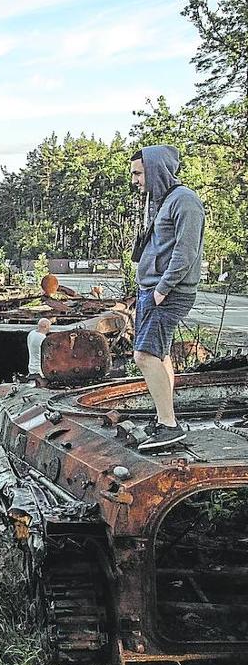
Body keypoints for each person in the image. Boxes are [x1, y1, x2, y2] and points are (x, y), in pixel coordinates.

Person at [130, 145, 204, 452]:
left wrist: (162, 289)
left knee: (144, 356)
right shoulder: (162, 202)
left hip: (168, 293)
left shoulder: (185, 201)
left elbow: (185, 252)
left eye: (137, 172)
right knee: (159, 355)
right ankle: (166, 419)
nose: (134, 179)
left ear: (155, 169)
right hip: (153, 290)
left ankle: (169, 426)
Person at [26, 317, 52, 382]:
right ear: (45, 326)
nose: (50, 328)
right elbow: (47, 354)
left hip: (31, 368)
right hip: (39, 370)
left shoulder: (32, 333)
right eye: (49, 326)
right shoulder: (42, 338)